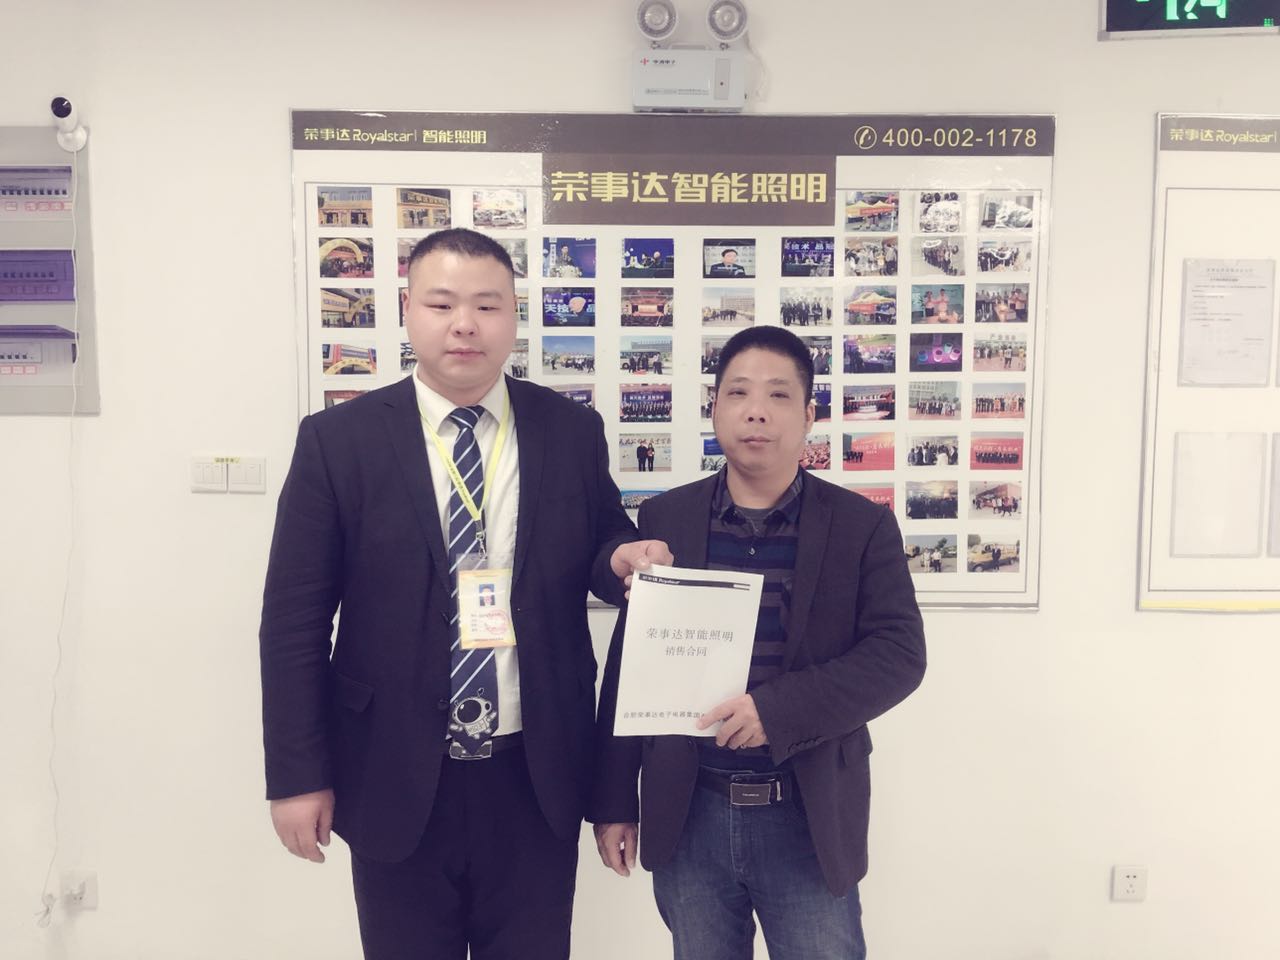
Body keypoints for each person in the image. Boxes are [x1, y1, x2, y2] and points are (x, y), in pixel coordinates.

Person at [260, 228, 670, 960]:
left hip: (534, 770)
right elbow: (294, 623)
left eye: (487, 305)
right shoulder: (339, 440)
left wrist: (623, 558)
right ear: (407, 310)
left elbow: (600, 543)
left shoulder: (569, 430)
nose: (464, 324)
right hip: (392, 767)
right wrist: (297, 776)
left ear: (513, 315)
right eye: (442, 303)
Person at [590, 326, 926, 960]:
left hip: (806, 811)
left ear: (809, 416)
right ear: (714, 407)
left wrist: (777, 711)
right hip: (689, 811)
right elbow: (632, 665)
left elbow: (899, 655)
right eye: (738, 392)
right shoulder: (666, 520)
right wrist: (613, 801)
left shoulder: (861, 526)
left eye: (778, 395)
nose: (756, 411)